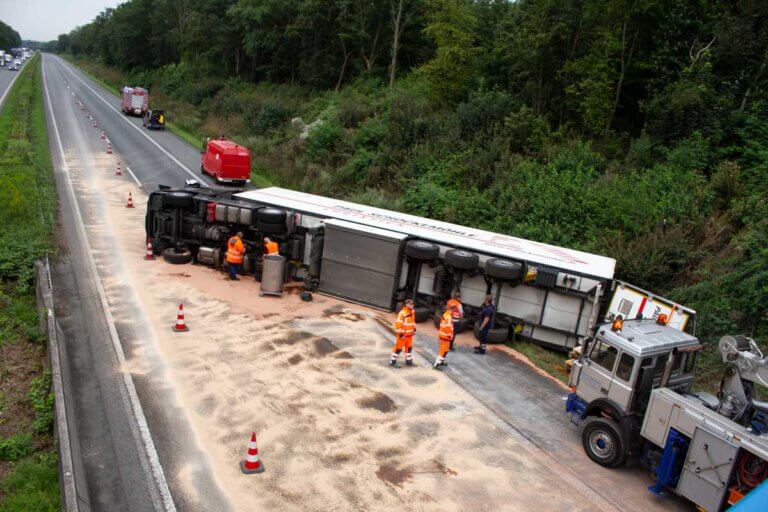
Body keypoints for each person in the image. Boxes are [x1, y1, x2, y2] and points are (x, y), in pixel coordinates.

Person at [389, 299, 416, 368]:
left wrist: (414, 329)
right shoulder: (402, 313)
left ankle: (408, 361)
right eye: (410, 304)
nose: (412, 305)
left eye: (412, 304)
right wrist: (401, 334)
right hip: (403, 335)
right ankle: (392, 361)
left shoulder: (412, 312)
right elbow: (398, 324)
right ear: (406, 304)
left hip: (409, 335)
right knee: (398, 348)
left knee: (409, 348)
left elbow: (413, 322)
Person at [434, 304, 456, 370]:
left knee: (445, 350)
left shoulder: (446, 314)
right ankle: (437, 363)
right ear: (453, 309)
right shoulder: (449, 317)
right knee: (443, 350)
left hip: (443, 335)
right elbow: (448, 327)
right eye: (454, 310)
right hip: (446, 336)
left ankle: (441, 361)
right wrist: (450, 336)